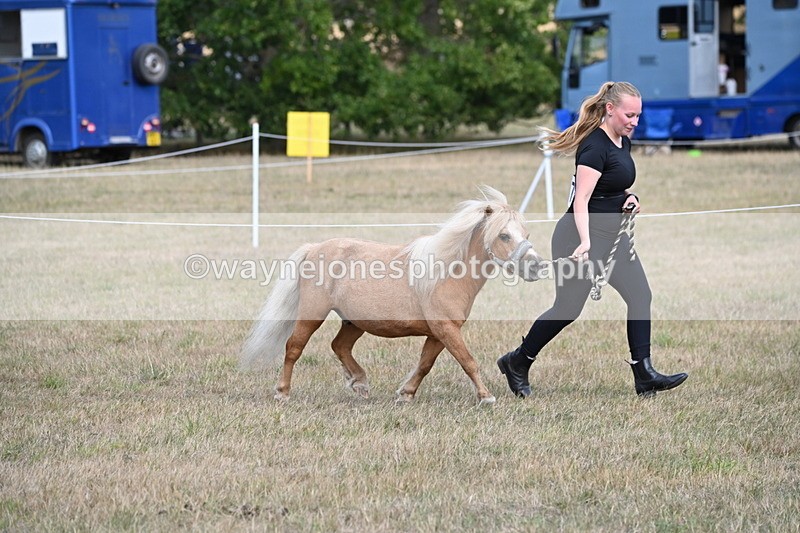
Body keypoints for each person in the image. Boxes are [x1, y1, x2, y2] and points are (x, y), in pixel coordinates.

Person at [497, 81, 688, 398]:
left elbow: (612, 187)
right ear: (610, 109)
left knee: (640, 297)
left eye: (638, 116)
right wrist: (584, 243)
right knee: (567, 309)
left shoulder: (621, 141)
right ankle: (518, 361)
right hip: (578, 238)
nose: (634, 122)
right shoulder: (594, 147)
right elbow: (581, 201)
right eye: (629, 115)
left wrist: (630, 198)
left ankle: (644, 374)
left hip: (612, 238)